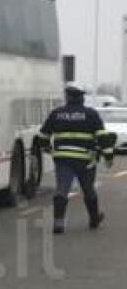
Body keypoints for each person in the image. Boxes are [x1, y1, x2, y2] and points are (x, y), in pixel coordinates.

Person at [38, 82, 117, 234]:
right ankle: (94, 219)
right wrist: (108, 157)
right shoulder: (91, 114)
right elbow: (103, 137)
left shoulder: (57, 113)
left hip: (62, 159)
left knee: (61, 190)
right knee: (88, 190)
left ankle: (58, 224)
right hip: (85, 160)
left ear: (67, 96)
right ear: (82, 98)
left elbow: (43, 136)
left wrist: (47, 148)